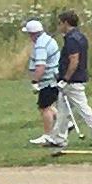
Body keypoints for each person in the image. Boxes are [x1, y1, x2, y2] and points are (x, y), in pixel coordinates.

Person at [51, 9, 92, 148]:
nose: (59, 26)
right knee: (63, 111)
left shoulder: (72, 39)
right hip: (75, 79)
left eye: (60, 23)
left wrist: (65, 79)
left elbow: (74, 61)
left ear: (66, 23)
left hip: (72, 81)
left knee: (83, 109)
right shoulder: (80, 36)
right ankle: (58, 139)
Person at [21, 18, 62, 147]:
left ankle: (48, 135)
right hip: (53, 78)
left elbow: (40, 66)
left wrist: (35, 81)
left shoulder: (40, 45)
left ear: (32, 34)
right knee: (48, 106)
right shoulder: (48, 39)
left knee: (45, 108)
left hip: (47, 80)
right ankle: (66, 123)